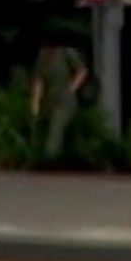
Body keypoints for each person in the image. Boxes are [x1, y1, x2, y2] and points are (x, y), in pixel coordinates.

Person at [28, 33, 90, 164]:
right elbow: (39, 81)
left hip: (65, 101)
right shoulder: (42, 57)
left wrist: (71, 89)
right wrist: (35, 104)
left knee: (55, 130)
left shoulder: (67, 53)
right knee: (45, 130)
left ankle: (49, 160)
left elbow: (82, 71)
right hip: (48, 101)